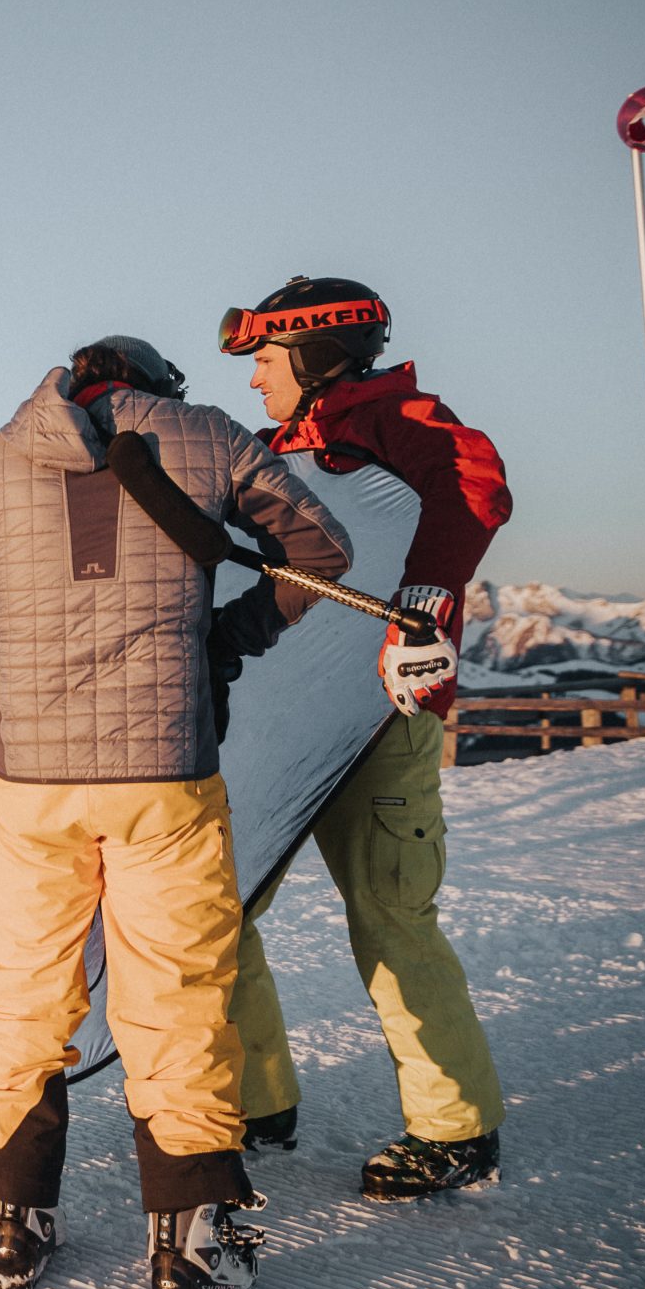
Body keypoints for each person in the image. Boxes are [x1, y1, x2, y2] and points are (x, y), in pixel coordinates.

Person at [0, 338, 350, 1289]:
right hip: (165, 773)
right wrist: (230, 634)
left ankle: (15, 1218)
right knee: (175, 1000)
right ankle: (186, 1247)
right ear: (159, 389)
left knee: (24, 994)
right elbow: (322, 556)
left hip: (28, 784)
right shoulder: (212, 437)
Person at [216, 276, 513, 1200]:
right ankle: (258, 1100)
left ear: (312, 357)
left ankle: (456, 1129)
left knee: (389, 915)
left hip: (381, 720)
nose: (256, 379)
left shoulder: (402, 422)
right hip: (287, 718)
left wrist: (425, 598)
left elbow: (478, 481)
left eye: (266, 360)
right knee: (222, 907)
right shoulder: (274, 451)